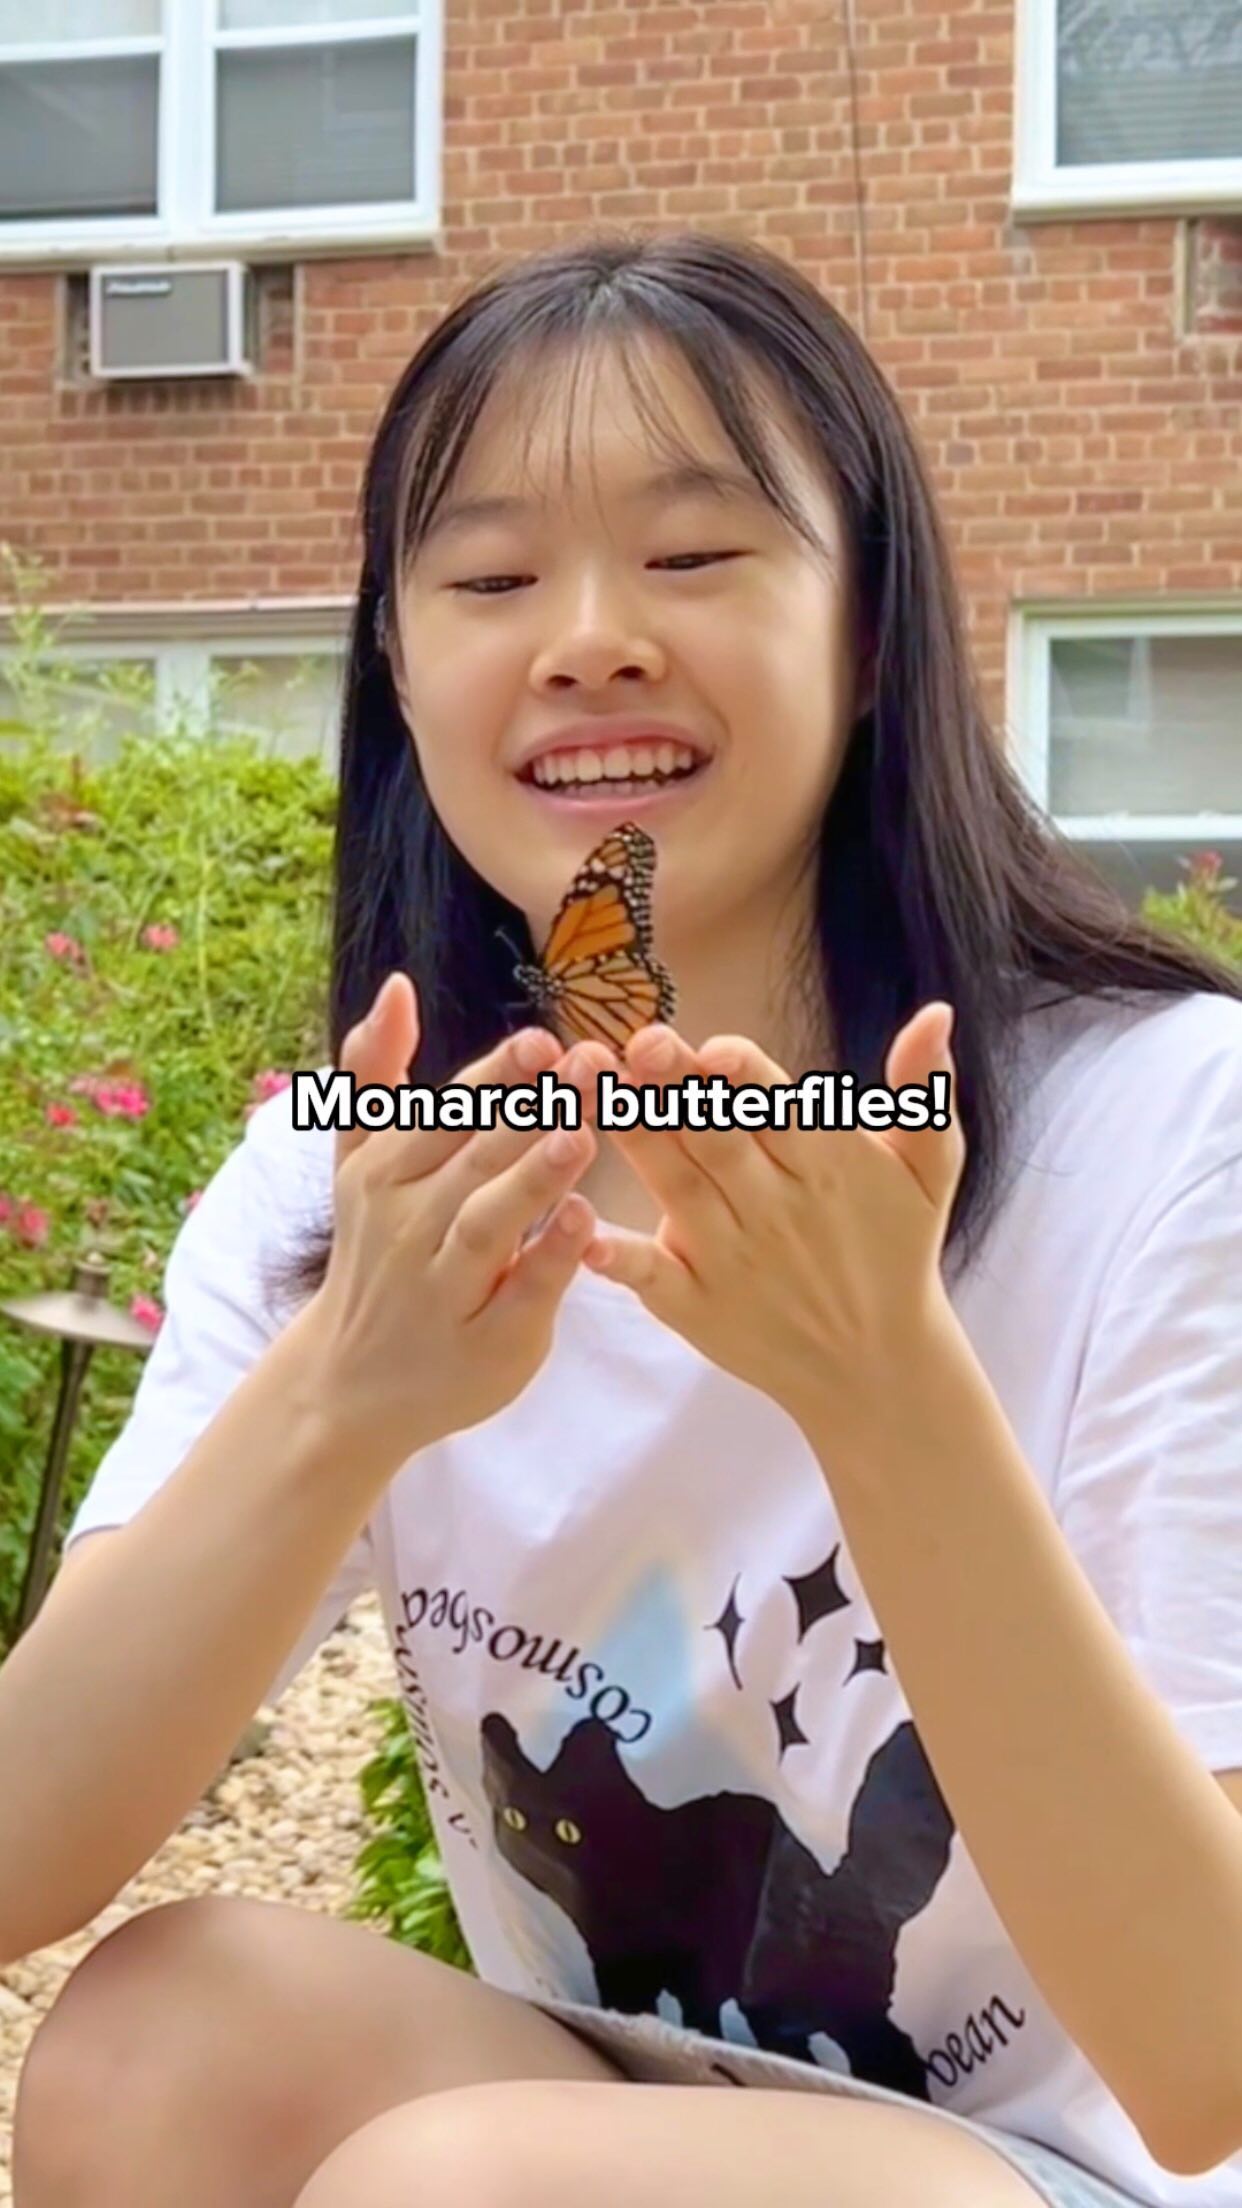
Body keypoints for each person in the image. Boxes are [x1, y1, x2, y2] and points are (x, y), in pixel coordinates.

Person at [4, 229, 1241, 2208]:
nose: (587, 637)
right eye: (488, 580)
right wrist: (349, 1390)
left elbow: (1209, 2061)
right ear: (401, 672)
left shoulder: (1171, 1128)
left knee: (463, 2189)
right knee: (161, 2042)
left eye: (693, 556)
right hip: (671, 2117)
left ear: (873, 633)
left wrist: (885, 1386)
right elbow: (20, 1852)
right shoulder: (368, 1181)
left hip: (1078, 2179)